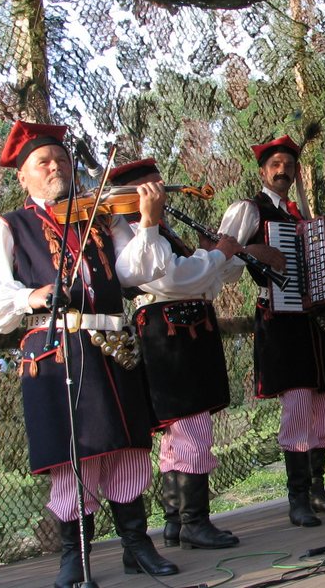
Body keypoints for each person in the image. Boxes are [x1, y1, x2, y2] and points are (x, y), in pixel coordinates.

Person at [0, 121, 179, 587]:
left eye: (61, 159)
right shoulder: (8, 228)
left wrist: (148, 222)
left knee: (128, 448)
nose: (55, 167)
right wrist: (28, 297)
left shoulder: (102, 216)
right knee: (72, 456)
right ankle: (74, 556)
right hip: (58, 352)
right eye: (43, 162)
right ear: (23, 176)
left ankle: (136, 545)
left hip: (114, 346)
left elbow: (137, 272)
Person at [218, 135, 325, 527]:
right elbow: (222, 264)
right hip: (280, 318)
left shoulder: (301, 217)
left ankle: (317, 489)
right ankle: (297, 498)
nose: (282, 171)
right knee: (297, 404)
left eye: (289, 166)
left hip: (314, 322)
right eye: (275, 165)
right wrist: (251, 252)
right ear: (263, 171)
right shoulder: (248, 210)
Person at [110, 159, 243, 549]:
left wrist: (209, 256)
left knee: (182, 432)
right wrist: (216, 256)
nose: (162, 194)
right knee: (191, 429)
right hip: (167, 337)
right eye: (153, 188)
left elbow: (201, 284)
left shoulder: (161, 230)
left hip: (187, 333)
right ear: (135, 193)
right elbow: (171, 279)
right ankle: (194, 522)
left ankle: (176, 521)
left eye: (161, 187)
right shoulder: (127, 230)